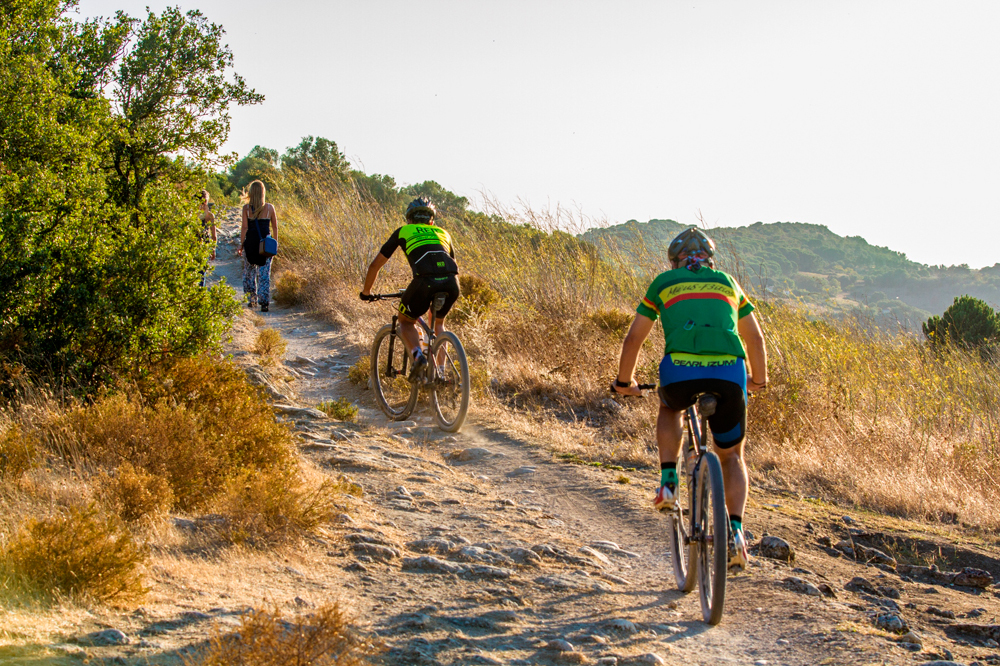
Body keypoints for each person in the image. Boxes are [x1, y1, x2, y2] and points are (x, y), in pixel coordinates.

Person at [612, 227, 767, 572]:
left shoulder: (664, 283)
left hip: (680, 372)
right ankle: (736, 534)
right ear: (711, 259)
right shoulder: (728, 283)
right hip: (729, 374)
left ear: (674, 260)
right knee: (732, 456)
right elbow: (755, 339)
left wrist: (625, 382)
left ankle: (668, 482)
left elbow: (633, 338)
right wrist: (758, 379)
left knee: (670, 407)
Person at [359, 198, 460, 378]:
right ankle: (441, 372)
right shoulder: (443, 233)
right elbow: (451, 261)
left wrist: (366, 293)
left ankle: (418, 357)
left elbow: (375, 265)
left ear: (409, 220)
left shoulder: (404, 231)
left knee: (405, 322)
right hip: (451, 283)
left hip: (424, 281)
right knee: (438, 323)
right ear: (431, 221)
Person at [236, 180, 278, 312]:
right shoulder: (270, 208)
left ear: (251, 193)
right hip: (265, 244)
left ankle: (252, 299)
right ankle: (264, 302)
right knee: (264, 274)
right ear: (263, 193)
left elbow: (244, 228)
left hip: (250, 244)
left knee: (249, 273)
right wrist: (275, 243)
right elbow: (275, 227)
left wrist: (241, 244)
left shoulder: (246, 209)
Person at [198, 190, 217, 288]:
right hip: (204, 244)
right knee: (202, 271)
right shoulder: (210, 216)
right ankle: (200, 291)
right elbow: (214, 235)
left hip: (194, 244)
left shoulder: (192, 214)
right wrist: (213, 249)